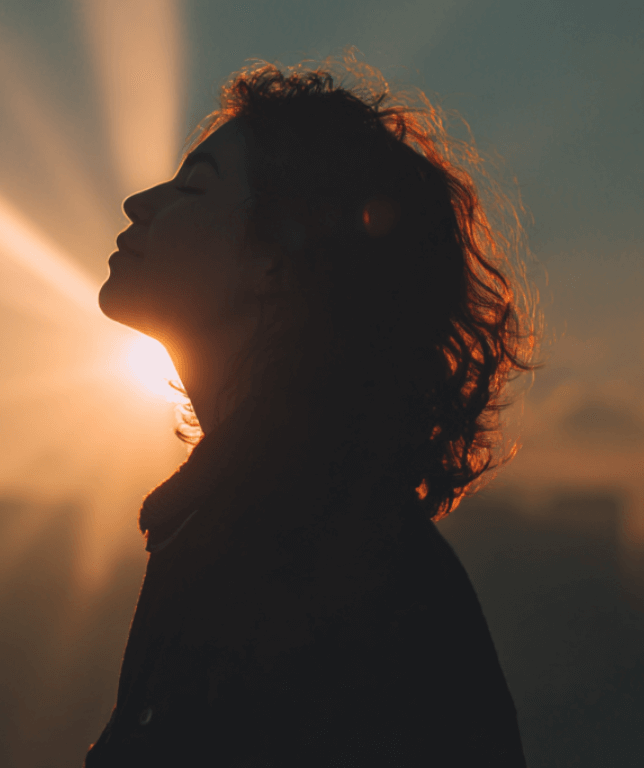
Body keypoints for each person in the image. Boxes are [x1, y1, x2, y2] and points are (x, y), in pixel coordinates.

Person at [88, 54, 538, 767]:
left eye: (192, 187)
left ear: (278, 262)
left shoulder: (316, 556)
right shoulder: (257, 521)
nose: (139, 203)